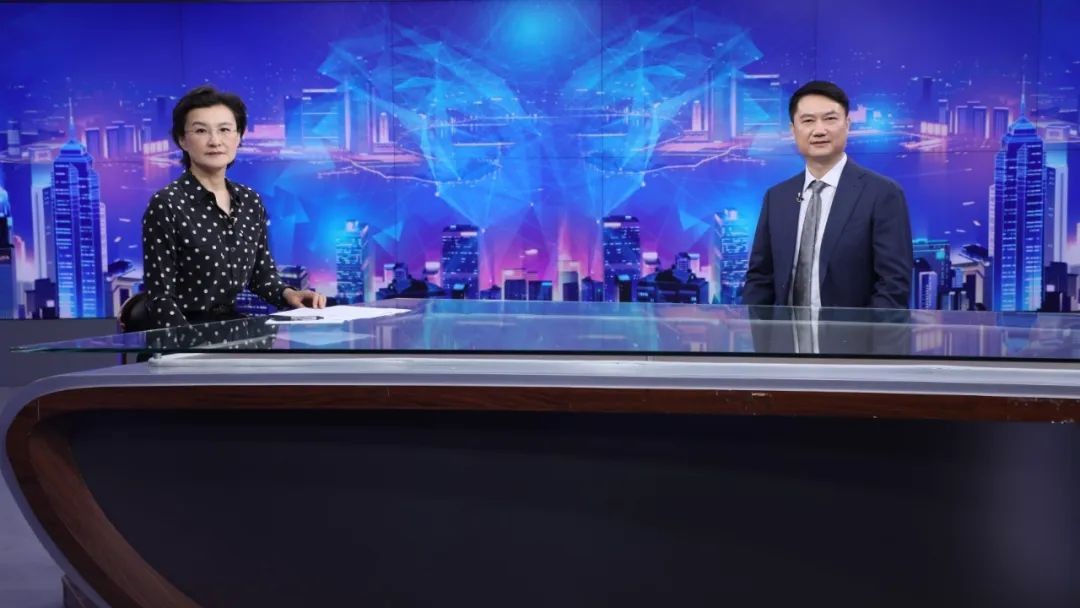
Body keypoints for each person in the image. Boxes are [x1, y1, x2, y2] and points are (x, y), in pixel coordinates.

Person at [141, 85, 325, 329]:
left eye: (225, 130)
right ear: (182, 140)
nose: (215, 141)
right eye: (201, 130)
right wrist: (191, 343)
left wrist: (289, 294)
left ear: (239, 137)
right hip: (184, 335)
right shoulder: (167, 204)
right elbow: (160, 299)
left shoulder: (250, 201)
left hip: (232, 330)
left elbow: (262, 276)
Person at [743, 80, 913, 311]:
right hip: (786, 333)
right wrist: (757, 331)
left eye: (830, 119)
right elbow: (760, 279)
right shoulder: (777, 198)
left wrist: (865, 333)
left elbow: (893, 286)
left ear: (847, 124)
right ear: (793, 130)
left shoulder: (883, 194)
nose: (819, 130)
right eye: (808, 121)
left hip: (854, 333)